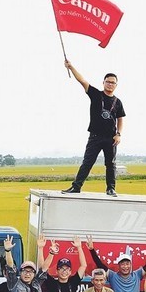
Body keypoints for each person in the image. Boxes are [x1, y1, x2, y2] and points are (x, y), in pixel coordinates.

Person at [61, 59, 126, 197]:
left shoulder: (118, 102)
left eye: (113, 82)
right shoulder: (96, 95)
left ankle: (111, 189)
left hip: (111, 138)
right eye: (107, 82)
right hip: (95, 136)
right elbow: (82, 81)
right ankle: (76, 187)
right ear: (103, 82)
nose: (110, 84)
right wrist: (71, 67)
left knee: (111, 164)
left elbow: (120, 119)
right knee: (87, 162)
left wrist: (118, 134)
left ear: (116, 85)